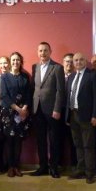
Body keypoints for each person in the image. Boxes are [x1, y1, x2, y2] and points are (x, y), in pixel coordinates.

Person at [30, 41, 66, 178]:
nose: (43, 53)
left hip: (52, 110)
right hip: (37, 109)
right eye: (40, 50)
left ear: (50, 52)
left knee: (54, 140)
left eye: (45, 50)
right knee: (40, 140)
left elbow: (60, 90)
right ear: (37, 52)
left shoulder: (57, 67)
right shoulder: (35, 67)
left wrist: (57, 109)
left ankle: (54, 167)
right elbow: (34, 88)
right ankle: (43, 167)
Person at [67, 52, 96, 184]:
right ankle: (80, 170)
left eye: (81, 60)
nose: (78, 62)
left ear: (85, 61)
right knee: (78, 144)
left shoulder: (93, 75)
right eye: (76, 60)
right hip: (73, 115)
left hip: (87, 116)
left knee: (88, 145)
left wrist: (95, 115)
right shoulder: (71, 76)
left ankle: (90, 173)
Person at [0, 52, 32, 177]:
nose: (15, 62)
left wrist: (24, 109)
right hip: (9, 113)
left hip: (22, 113)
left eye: (18, 60)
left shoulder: (25, 77)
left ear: (21, 61)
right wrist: (18, 109)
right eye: (13, 60)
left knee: (18, 140)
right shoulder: (5, 77)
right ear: (10, 62)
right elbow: (4, 95)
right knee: (9, 141)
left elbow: (29, 94)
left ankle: (17, 167)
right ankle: (10, 167)